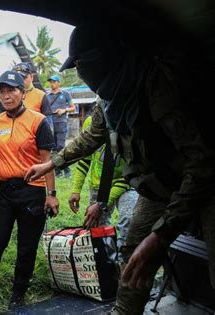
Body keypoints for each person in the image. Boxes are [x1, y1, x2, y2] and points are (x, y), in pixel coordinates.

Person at [25, 24, 215, 315]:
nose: (81, 72)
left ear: (102, 58)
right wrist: (51, 163)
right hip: (161, 186)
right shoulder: (110, 98)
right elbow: (91, 137)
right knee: (133, 252)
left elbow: (202, 163)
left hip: (205, 185)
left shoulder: (156, 85)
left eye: (80, 64)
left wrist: (161, 235)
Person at [0, 70, 58, 310]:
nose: (6, 96)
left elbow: (47, 161)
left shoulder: (38, 121)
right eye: (2, 92)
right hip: (5, 193)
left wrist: (51, 195)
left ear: (22, 92)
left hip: (32, 190)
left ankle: (18, 292)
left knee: (26, 246)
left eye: (12, 90)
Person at [69, 114, 138, 250]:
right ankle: (104, 263)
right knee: (97, 227)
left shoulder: (130, 122)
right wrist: (76, 190)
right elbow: (85, 158)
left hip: (126, 182)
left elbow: (134, 170)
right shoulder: (91, 121)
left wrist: (101, 203)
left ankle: (124, 262)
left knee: (129, 220)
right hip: (98, 184)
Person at [0, 62, 54, 132]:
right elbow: (0, 121)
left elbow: (49, 124)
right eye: (17, 78)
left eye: (23, 77)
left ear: (32, 77)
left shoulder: (41, 95)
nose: (20, 81)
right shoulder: (6, 97)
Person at [45, 74, 75, 177]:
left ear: (59, 83)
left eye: (54, 81)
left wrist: (64, 110)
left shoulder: (65, 93)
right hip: (49, 124)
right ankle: (58, 171)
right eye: (50, 82)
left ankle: (66, 170)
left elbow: (73, 108)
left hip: (61, 122)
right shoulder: (46, 95)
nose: (52, 84)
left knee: (61, 147)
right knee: (53, 149)